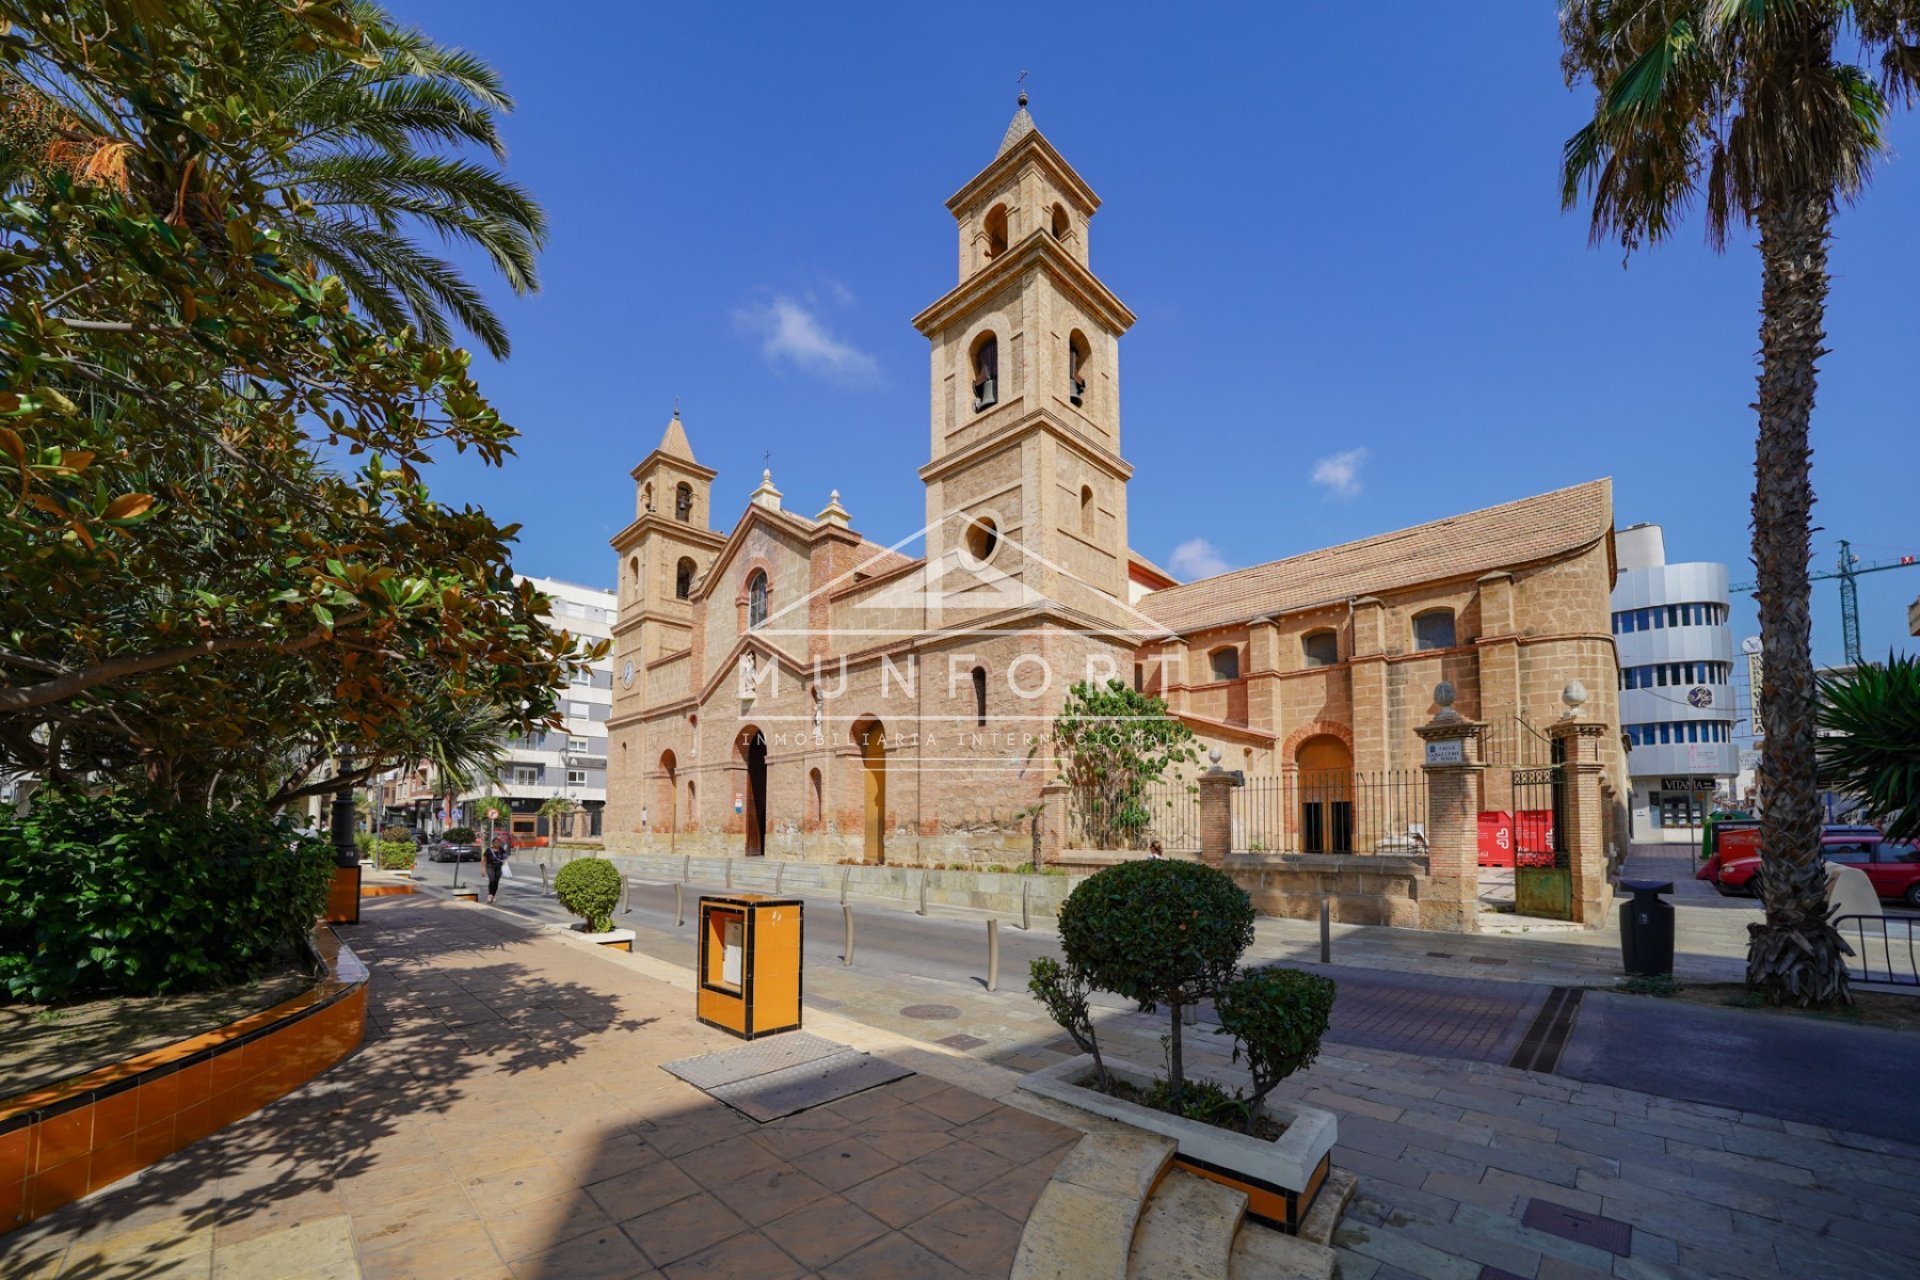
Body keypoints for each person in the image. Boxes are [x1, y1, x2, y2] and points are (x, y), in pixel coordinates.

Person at [483, 838, 507, 904]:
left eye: (499, 842)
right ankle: (490, 895)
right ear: (493, 843)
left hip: (498, 867)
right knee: (492, 880)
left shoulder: (501, 850)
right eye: (496, 842)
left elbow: (505, 857)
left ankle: (493, 895)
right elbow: (484, 860)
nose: (497, 844)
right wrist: (483, 869)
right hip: (490, 866)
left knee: (496, 882)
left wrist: (504, 858)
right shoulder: (488, 850)